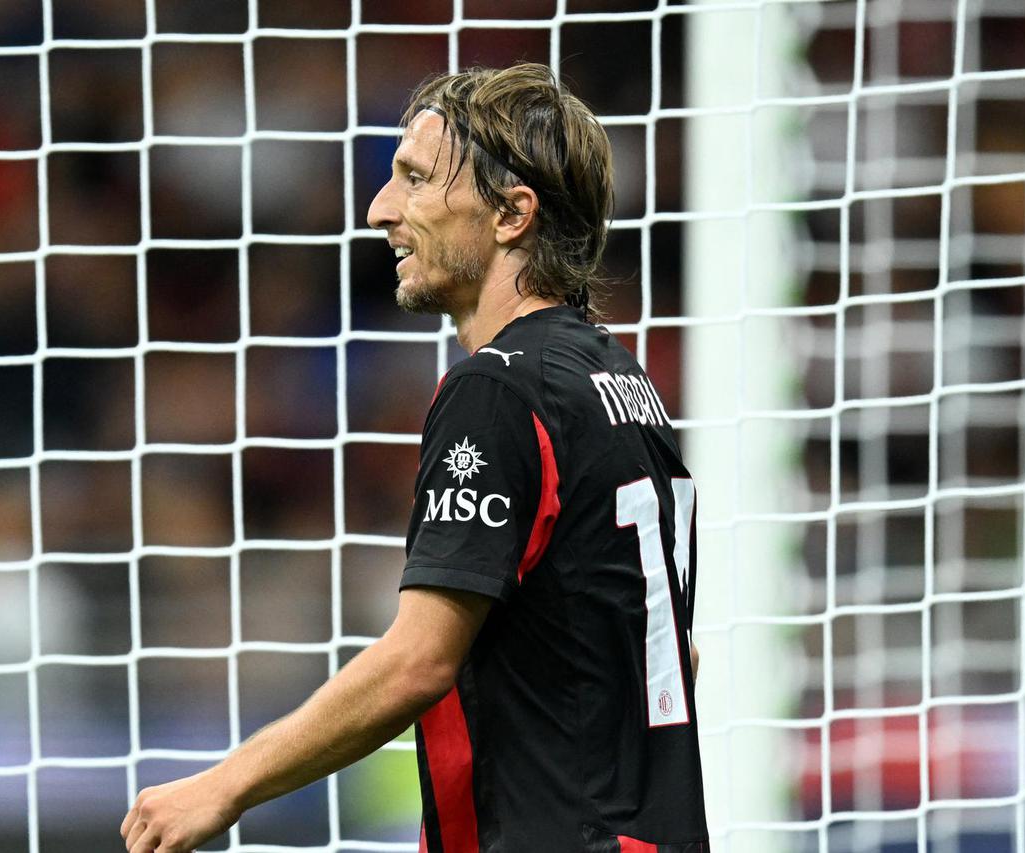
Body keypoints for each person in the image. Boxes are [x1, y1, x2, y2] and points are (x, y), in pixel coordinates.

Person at [121, 62, 708, 853]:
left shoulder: (497, 389)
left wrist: (222, 785)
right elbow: (676, 655)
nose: (381, 208)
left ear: (512, 214)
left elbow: (418, 660)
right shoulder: (624, 385)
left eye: (417, 179)